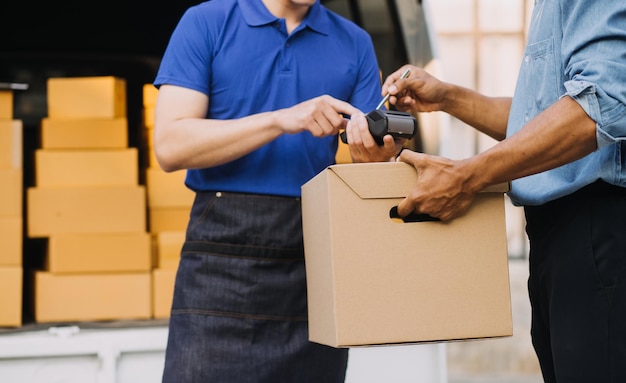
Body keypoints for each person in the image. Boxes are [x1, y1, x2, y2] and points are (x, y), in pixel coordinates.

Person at [152, 0, 400, 382]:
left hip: (314, 257)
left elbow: (369, 170)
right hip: (220, 255)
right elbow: (170, 146)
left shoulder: (354, 42)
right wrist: (281, 120)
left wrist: (377, 156)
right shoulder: (207, 21)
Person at [381, 2, 626, 382]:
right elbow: (539, 120)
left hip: (598, 230)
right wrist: (448, 98)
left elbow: (600, 106)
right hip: (560, 238)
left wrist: (467, 176)